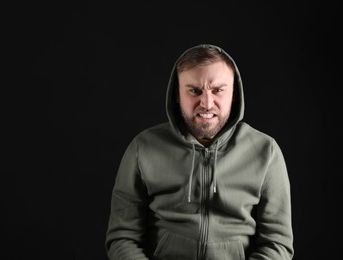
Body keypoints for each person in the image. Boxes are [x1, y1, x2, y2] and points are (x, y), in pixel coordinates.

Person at [105, 43, 294, 260]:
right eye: (194, 90)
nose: (206, 103)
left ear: (234, 93)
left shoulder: (265, 152)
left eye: (218, 90)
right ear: (177, 93)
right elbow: (122, 237)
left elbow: (277, 243)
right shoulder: (143, 148)